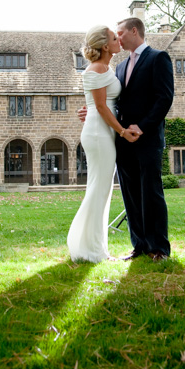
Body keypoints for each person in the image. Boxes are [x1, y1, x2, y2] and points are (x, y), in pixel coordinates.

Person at [68, 25, 139, 262]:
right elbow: (99, 106)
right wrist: (122, 131)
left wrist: (90, 111)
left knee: (102, 189)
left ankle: (94, 248)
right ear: (105, 46)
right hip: (99, 134)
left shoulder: (106, 68)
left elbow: (98, 103)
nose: (118, 39)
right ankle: (90, 250)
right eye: (113, 37)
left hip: (102, 130)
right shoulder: (96, 69)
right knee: (99, 189)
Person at [113, 17, 175, 261]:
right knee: (130, 194)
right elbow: (117, 103)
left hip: (147, 140)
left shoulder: (158, 58)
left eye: (120, 33)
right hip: (123, 141)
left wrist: (143, 126)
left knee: (151, 193)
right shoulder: (119, 67)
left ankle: (159, 247)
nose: (118, 38)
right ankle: (139, 245)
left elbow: (164, 98)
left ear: (134, 30)